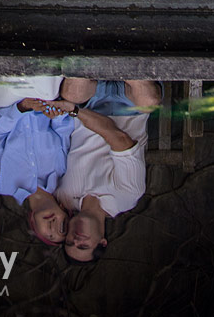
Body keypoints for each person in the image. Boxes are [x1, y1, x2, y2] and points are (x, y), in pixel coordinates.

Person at [53, 79, 162, 262]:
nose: (76, 239)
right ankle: (128, 57)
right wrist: (75, 111)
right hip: (131, 108)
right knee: (149, 99)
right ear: (102, 242)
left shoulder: (63, 197)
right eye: (83, 246)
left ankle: (92, 53)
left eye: (70, 243)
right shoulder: (126, 197)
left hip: (89, 102)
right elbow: (119, 139)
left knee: (72, 92)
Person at [0, 76, 74, 246]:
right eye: (62, 226)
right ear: (64, 210)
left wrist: (21, 108)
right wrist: (56, 114)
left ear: (33, 224)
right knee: (48, 88)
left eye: (49, 235)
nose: (52, 226)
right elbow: (63, 129)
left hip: (3, 102)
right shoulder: (61, 169)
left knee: (46, 87)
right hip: (41, 94)